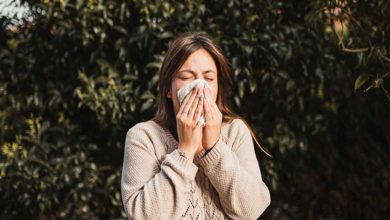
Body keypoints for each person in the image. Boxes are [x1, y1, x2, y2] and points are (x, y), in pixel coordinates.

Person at [121, 32, 271, 220]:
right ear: (168, 88)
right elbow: (143, 216)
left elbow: (252, 209)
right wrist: (184, 151)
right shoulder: (143, 137)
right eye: (186, 77)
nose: (199, 87)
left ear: (217, 89)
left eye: (208, 78)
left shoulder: (235, 132)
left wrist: (214, 148)